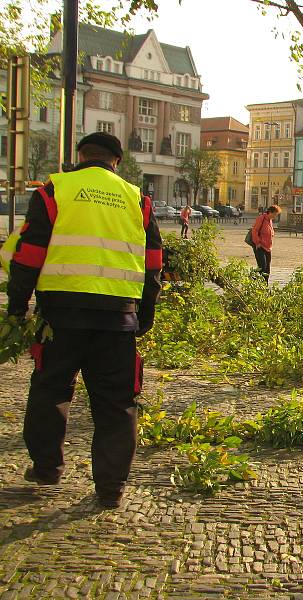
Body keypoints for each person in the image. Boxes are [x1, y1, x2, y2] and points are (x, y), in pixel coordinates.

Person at [2, 132, 162, 509]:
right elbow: (153, 262)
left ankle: (48, 468)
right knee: (117, 403)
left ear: (79, 156)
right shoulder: (137, 199)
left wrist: (16, 308)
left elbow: (28, 254)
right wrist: (145, 314)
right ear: (117, 162)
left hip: (60, 317)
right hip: (117, 319)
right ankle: (110, 489)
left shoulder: (54, 191)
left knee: (49, 391)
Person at [251, 204, 281, 282]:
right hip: (260, 246)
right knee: (262, 266)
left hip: (268, 247)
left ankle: (265, 285)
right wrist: (257, 242)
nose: (275, 216)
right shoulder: (261, 218)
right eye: (275, 214)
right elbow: (255, 231)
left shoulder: (270, 221)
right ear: (270, 212)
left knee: (267, 268)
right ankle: (252, 278)